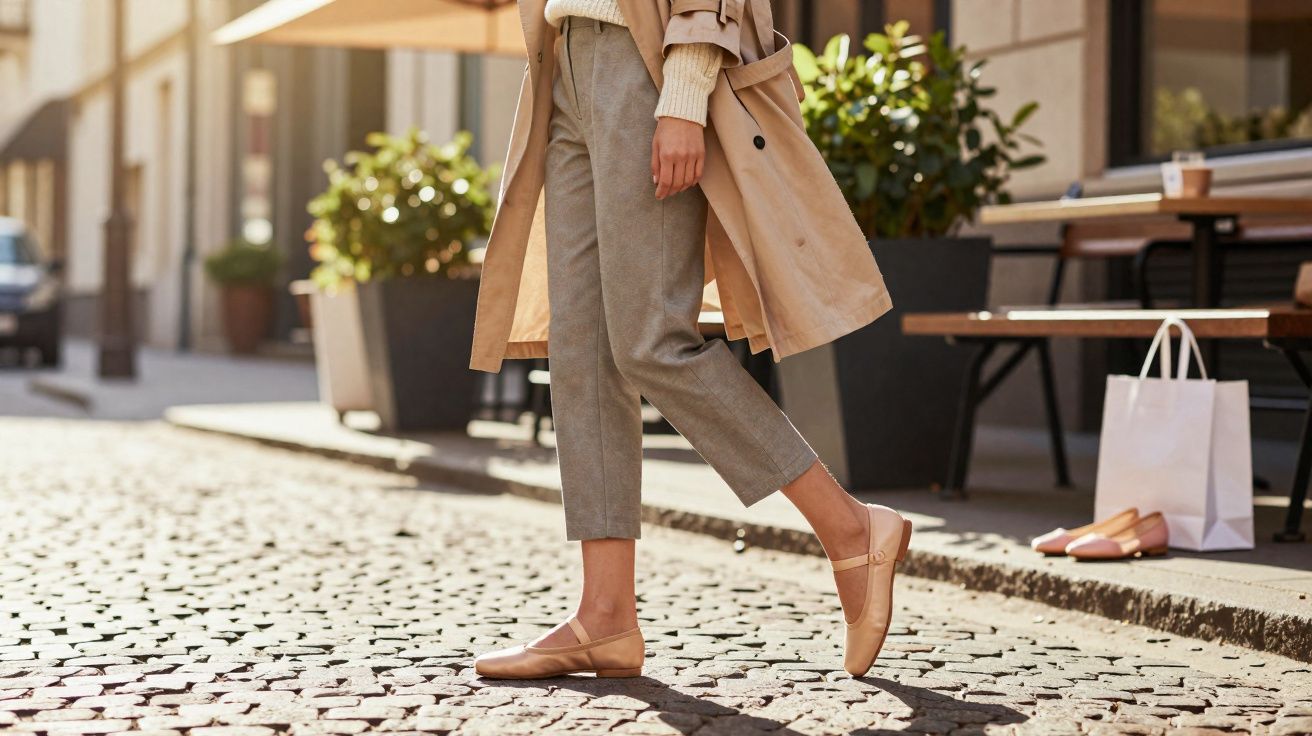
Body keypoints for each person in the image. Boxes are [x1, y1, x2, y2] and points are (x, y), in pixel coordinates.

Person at [469, 0, 909, 679]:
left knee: (651, 341)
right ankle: (606, 616)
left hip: (642, 65)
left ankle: (851, 527)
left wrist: (684, 93)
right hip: (564, 64)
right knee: (581, 351)